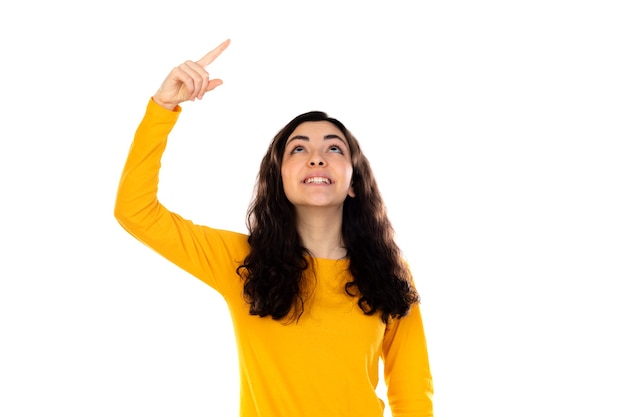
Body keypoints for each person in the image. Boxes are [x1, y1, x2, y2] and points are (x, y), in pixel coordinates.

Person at [114, 39, 433, 417]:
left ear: (354, 183)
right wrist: (163, 107)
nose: (316, 158)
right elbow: (135, 211)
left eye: (334, 149)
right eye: (298, 149)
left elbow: (411, 392)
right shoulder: (240, 261)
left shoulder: (390, 273)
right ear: (279, 177)